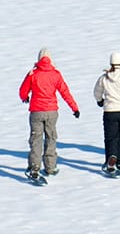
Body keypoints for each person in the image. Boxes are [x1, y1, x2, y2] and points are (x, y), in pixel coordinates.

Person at [17, 47, 80, 183]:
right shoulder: (56, 74)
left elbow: (22, 91)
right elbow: (65, 92)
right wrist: (74, 108)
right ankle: (50, 167)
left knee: (36, 140)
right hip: (52, 112)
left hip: (36, 112)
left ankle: (34, 167)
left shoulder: (32, 74)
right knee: (51, 138)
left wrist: (25, 97)